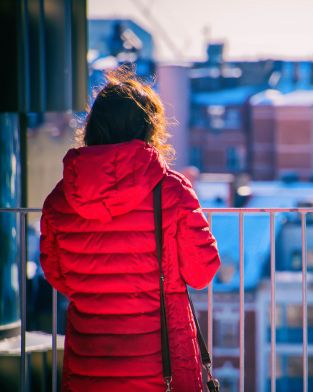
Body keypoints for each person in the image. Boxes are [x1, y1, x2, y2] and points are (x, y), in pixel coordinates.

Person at [40, 67, 221, 391]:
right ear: (150, 128)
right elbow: (201, 272)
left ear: (93, 127)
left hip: (90, 368)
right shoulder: (172, 191)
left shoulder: (61, 198)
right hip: (161, 370)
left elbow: (58, 275)